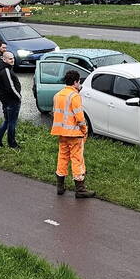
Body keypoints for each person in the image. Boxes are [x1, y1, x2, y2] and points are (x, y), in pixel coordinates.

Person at [50, 69, 95, 198]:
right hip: (75, 134)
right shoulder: (74, 96)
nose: (79, 84)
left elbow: (55, 113)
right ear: (75, 82)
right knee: (77, 160)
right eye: (79, 81)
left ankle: (60, 186)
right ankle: (80, 189)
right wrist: (84, 130)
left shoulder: (58, 95)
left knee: (62, 158)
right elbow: (80, 117)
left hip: (61, 133)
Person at [0, 51, 21, 149]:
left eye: (13, 58)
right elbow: (10, 87)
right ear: (4, 59)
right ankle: (12, 144)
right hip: (12, 101)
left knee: (7, 121)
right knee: (12, 122)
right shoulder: (6, 70)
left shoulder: (1, 68)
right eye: (10, 59)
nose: (13, 60)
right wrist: (18, 97)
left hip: (6, 100)